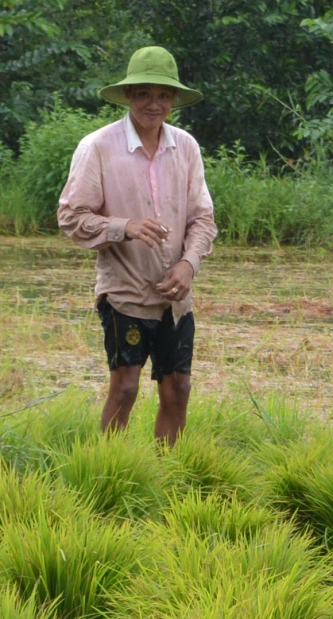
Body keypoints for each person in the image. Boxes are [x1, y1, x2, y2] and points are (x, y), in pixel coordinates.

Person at [58, 46, 218, 445]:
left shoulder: (186, 147)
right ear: (128, 96)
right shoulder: (98, 147)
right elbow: (71, 217)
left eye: (163, 95)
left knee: (178, 389)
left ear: (174, 101)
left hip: (175, 297)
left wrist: (188, 265)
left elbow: (203, 219)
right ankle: (108, 472)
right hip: (124, 292)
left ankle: (168, 474)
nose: (154, 104)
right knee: (126, 387)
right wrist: (123, 226)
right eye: (144, 94)